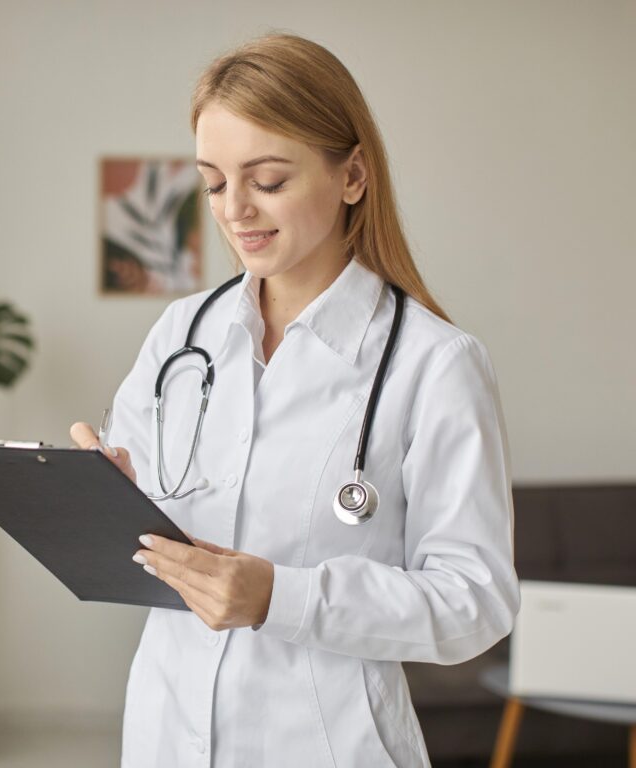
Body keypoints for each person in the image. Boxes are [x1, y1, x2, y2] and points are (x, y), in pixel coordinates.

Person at [71, 32, 520, 768]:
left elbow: (476, 603)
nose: (235, 210)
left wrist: (280, 597)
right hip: (164, 734)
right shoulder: (183, 333)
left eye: (268, 180)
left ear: (352, 176)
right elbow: (156, 531)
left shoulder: (435, 365)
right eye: (214, 183)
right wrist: (105, 499)